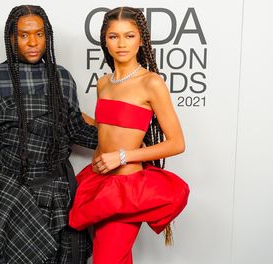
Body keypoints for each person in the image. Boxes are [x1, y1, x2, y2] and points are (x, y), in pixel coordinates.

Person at [0, 5, 97, 264]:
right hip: (8, 196)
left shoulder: (62, 78)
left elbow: (77, 130)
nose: (33, 42)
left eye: (39, 34)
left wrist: (131, 136)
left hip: (58, 197)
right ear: (11, 38)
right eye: (23, 35)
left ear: (48, 37)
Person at [69, 7, 190, 264]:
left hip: (126, 191)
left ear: (141, 39)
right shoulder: (104, 83)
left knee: (107, 260)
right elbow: (106, 129)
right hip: (98, 183)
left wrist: (122, 156)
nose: (121, 43)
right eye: (113, 36)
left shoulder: (151, 83)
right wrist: (70, 113)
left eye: (129, 35)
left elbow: (177, 143)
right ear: (105, 40)